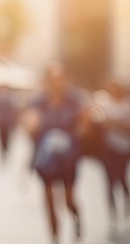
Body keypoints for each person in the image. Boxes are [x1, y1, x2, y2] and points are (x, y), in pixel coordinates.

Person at [20, 61, 83, 244]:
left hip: (69, 157)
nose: (57, 82)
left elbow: (84, 123)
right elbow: (29, 124)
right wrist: (30, 125)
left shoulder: (74, 100)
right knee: (49, 202)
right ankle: (55, 239)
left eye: (60, 77)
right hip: (46, 158)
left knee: (69, 200)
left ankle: (77, 217)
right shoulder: (38, 101)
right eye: (53, 78)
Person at [92, 77, 130, 238]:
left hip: (124, 147)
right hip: (108, 147)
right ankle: (113, 215)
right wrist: (117, 124)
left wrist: (112, 123)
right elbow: (100, 121)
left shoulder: (128, 103)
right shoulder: (103, 101)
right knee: (109, 181)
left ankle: (127, 204)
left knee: (123, 177)